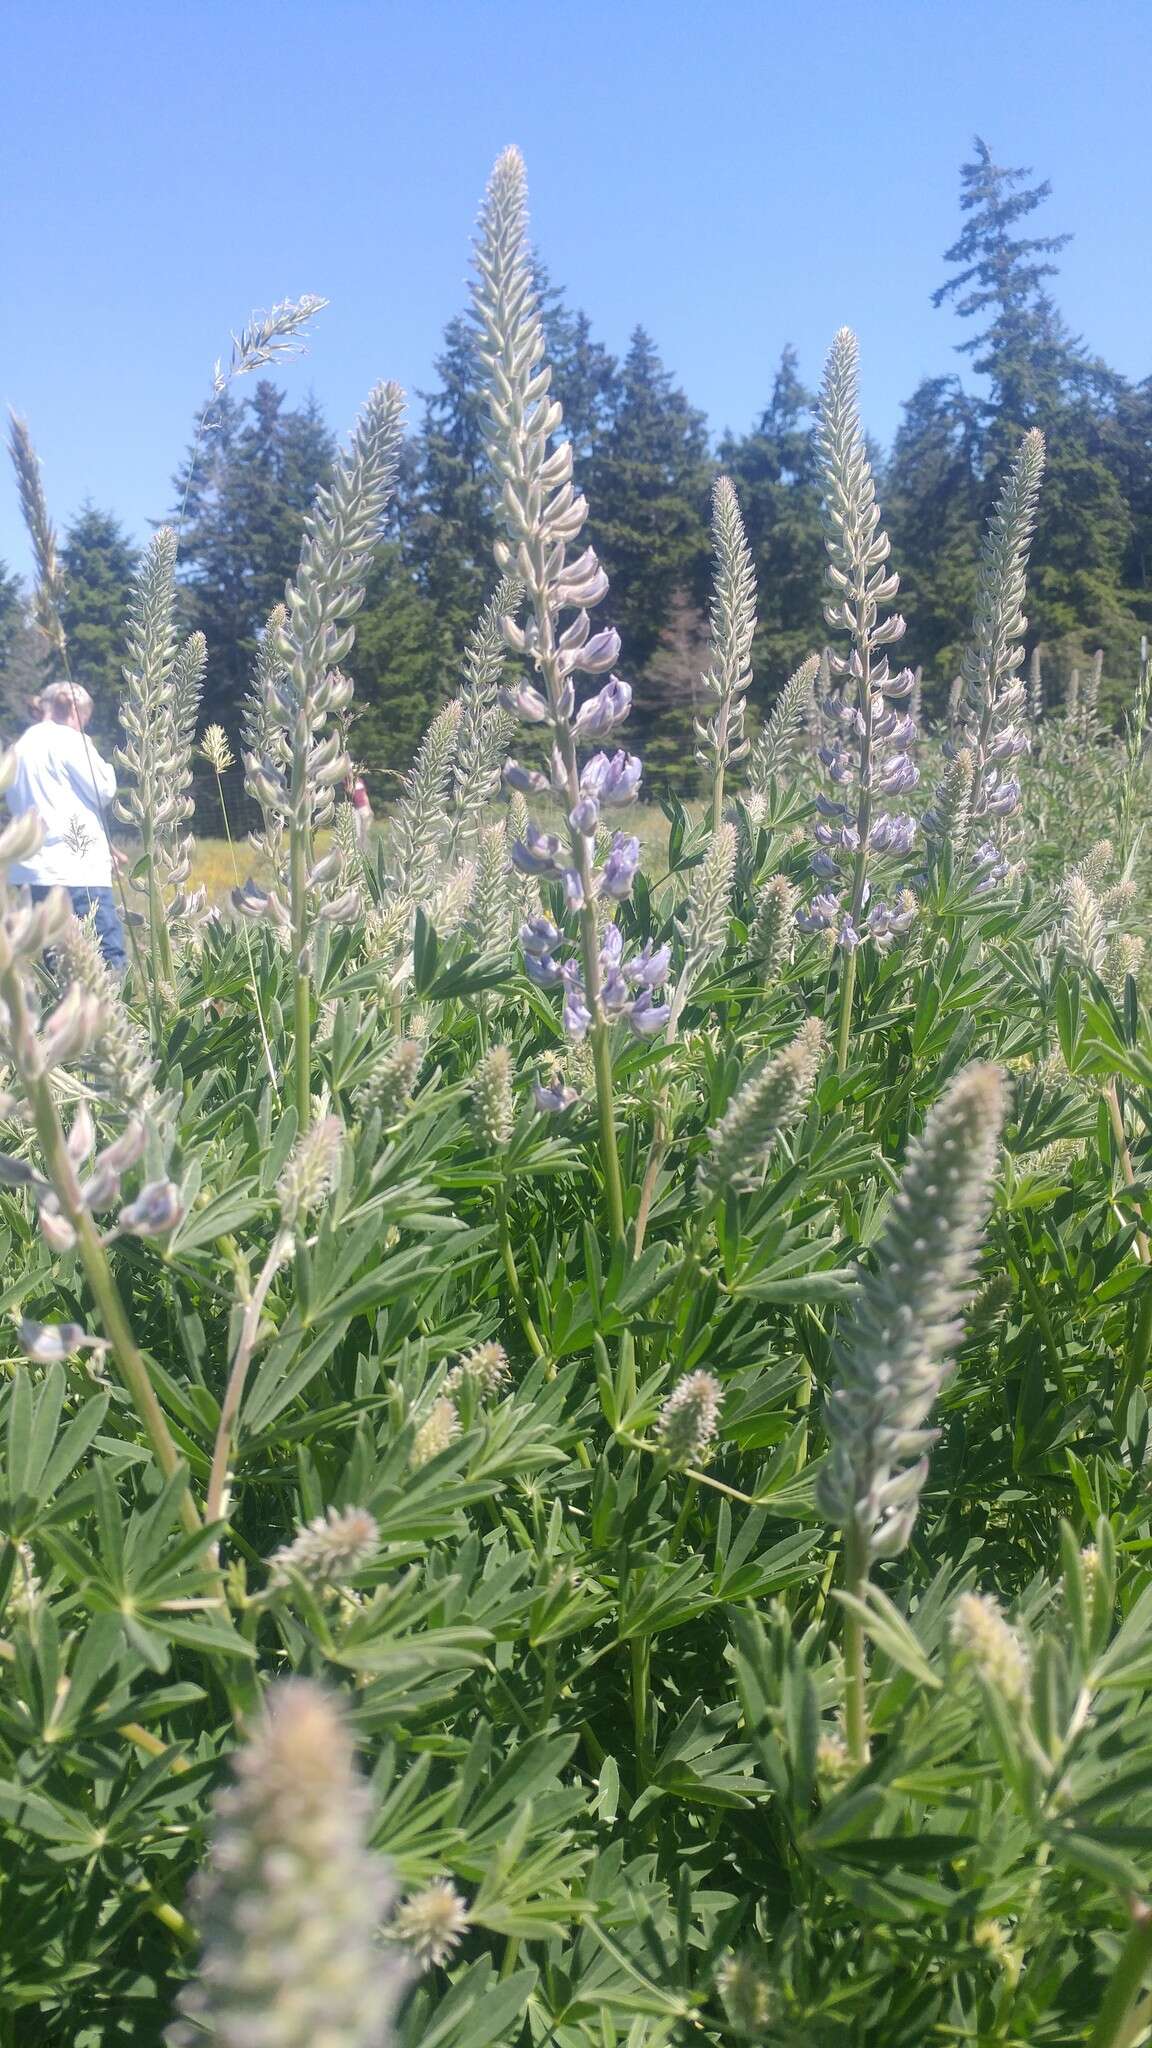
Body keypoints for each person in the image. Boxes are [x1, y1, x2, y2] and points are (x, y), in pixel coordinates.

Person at [5, 680, 127, 971]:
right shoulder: (69, 740)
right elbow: (104, 790)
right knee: (104, 960)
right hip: (78, 870)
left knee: (61, 966)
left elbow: (49, 808)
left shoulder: (18, 748)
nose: (82, 727)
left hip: (35, 873)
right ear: (71, 707)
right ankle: (113, 1017)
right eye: (83, 720)